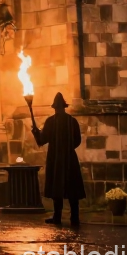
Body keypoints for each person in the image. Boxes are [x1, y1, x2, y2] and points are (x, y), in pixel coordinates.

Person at [32, 92, 86, 225]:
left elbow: (42, 140)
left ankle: (57, 217)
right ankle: (74, 218)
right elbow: (77, 140)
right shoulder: (72, 121)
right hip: (69, 158)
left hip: (56, 158)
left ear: (55, 108)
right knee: (72, 188)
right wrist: (68, 148)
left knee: (58, 188)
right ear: (64, 106)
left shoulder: (51, 121)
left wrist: (36, 133)